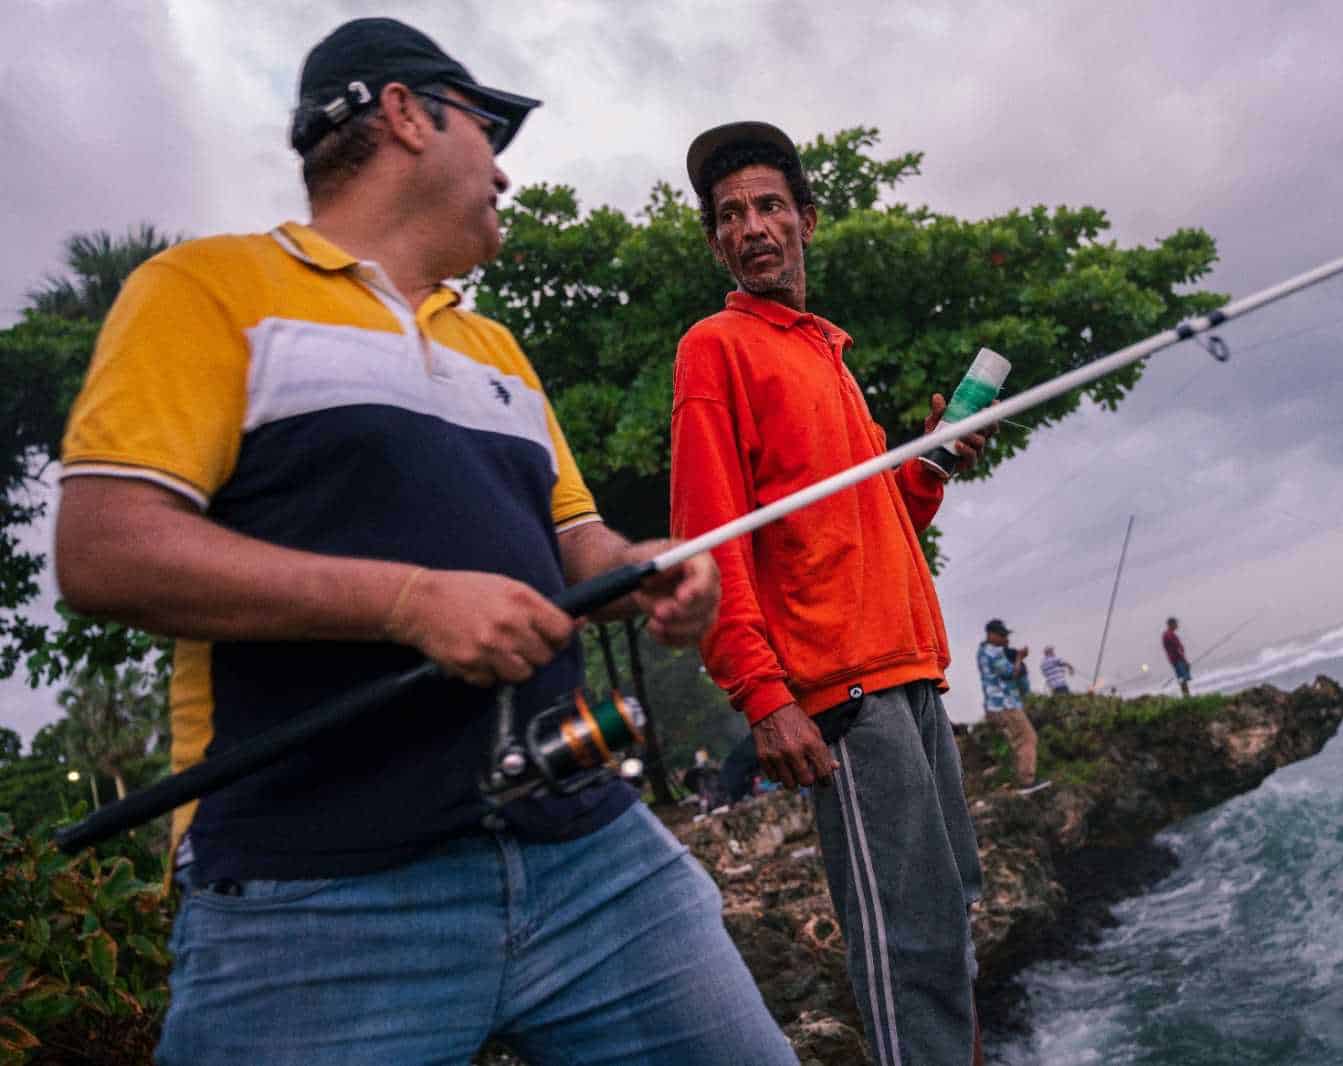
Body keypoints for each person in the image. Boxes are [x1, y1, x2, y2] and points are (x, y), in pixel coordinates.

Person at [52, 20, 796, 1066]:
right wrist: (409, 602)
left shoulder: (495, 349)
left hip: (590, 852)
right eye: (487, 131)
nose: (500, 168)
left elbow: (575, 540)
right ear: (404, 111)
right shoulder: (202, 291)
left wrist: (644, 575)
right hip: (311, 898)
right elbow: (105, 548)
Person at [670, 121, 993, 1066]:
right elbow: (708, 543)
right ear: (715, 242)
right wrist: (765, 697)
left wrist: (928, 469)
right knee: (910, 944)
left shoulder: (825, 355)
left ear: (808, 220)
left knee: (955, 909)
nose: (753, 227)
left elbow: (870, 527)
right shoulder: (714, 349)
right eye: (730, 215)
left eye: (770, 206)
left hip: (913, 674)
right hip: (844, 693)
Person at [975, 619, 1039, 788]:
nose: (1006, 639)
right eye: (1002, 635)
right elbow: (1010, 672)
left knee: (1015, 744)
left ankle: (1015, 781)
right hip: (1004, 705)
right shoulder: (992, 651)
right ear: (991, 635)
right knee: (1028, 738)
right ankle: (1027, 781)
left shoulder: (983, 651)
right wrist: (1019, 658)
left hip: (996, 706)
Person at [1163, 616, 1192, 697]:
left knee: (1182, 679)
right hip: (1178, 660)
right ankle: (1187, 696)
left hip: (1175, 660)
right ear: (1171, 624)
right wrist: (1185, 661)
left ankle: (1186, 696)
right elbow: (1177, 649)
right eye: (1176, 623)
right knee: (1183, 679)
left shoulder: (1167, 634)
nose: (1177, 625)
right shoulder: (1169, 635)